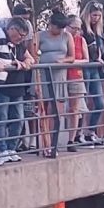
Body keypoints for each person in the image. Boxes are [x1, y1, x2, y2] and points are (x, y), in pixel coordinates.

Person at [0, 17, 33, 163]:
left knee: (19, 119)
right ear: (12, 29)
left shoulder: (19, 45)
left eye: (24, 37)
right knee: (2, 118)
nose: (21, 39)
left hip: (17, 87)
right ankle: (2, 149)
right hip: (2, 86)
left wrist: (25, 62)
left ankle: (12, 148)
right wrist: (0, 63)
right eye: (19, 35)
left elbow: (31, 59)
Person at [37, 12, 74, 158]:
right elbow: (33, 54)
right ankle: (45, 145)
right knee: (43, 112)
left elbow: (71, 57)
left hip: (59, 76)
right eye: (57, 27)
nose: (59, 31)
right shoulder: (40, 35)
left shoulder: (67, 36)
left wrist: (62, 61)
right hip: (43, 75)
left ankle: (54, 144)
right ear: (50, 24)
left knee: (56, 113)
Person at [79, 0, 104, 147]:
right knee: (83, 102)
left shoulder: (98, 32)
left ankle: (90, 131)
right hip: (85, 67)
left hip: (95, 68)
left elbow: (101, 50)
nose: (96, 18)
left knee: (100, 103)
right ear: (88, 14)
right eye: (94, 15)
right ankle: (79, 134)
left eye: (98, 16)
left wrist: (103, 58)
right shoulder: (82, 29)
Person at [64, 16, 89, 151]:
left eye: (79, 29)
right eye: (74, 28)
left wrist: (73, 61)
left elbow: (86, 59)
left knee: (74, 109)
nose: (76, 31)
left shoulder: (81, 40)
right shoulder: (62, 38)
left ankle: (71, 139)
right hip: (61, 76)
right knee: (58, 108)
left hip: (76, 76)